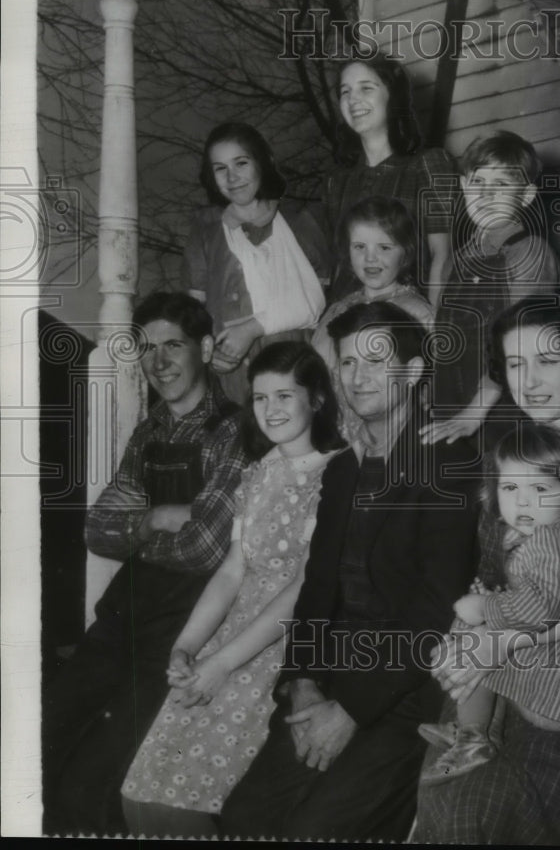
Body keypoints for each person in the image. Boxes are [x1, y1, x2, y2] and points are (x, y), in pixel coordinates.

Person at [218, 301, 480, 842]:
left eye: (375, 361)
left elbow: (434, 610)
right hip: (326, 680)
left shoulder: (448, 462)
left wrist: (352, 712)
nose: (357, 378)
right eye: (347, 363)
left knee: (314, 832)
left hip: (400, 697)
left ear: (411, 373)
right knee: (243, 820)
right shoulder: (343, 467)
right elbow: (317, 589)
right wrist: (304, 684)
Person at [415, 296, 560, 846]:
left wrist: (501, 643)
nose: (531, 379)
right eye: (517, 364)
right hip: (502, 658)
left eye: (549, 360)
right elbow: (494, 577)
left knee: (486, 811)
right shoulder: (508, 458)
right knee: (449, 801)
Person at [42, 292, 249, 837]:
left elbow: (207, 546)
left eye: (173, 346)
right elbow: (97, 531)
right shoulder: (148, 431)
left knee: (95, 781)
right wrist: (160, 516)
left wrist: (141, 528)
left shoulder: (235, 431)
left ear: (204, 348)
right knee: (38, 735)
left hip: (178, 634)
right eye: (148, 348)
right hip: (120, 620)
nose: (158, 362)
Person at [121, 341, 346, 837]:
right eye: (261, 399)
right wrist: (188, 647)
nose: (272, 410)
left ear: (318, 400)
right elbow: (231, 570)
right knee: (143, 791)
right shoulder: (258, 472)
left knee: (188, 800)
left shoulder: (337, 473)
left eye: (285, 396)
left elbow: (305, 587)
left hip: (280, 648)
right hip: (230, 637)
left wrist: (223, 663)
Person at [419, 423, 560, 789]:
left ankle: (473, 736)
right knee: (470, 631)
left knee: (471, 629)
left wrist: (485, 606)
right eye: (510, 488)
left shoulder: (551, 540)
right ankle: (477, 728)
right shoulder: (559, 527)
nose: (523, 501)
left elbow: (540, 609)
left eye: (539, 489)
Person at [422, 131, 560, 447]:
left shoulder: (528, 252)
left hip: (506, 412)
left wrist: (475, 412)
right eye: (477, 182)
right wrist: (431, 386)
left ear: (525, 196)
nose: (486, 195)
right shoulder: (456, 261)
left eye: (500, 185)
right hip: (453, 413)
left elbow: (520, 345)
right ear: (462, 187)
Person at [183, 121, 329, 402]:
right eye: (220, 168)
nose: (232, 176)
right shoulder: (205, 230)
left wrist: (251, 329)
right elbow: (194, 315)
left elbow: (316, 304)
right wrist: (209, 351)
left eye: (241, 163)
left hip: (293, 366)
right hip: (232, 377)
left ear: (262, 163)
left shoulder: (300, 222)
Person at [325, 54, 456, 306]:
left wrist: (433, 327)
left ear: (393, 96)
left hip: (406, 314)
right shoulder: (336, 178)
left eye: (366, 88)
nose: (353, 99)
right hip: (348, 312)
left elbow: (443, 254)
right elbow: (340, 263)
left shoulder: (429, 164)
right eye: (345, 91)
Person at [312, 195, 433, 440]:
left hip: (390, 437)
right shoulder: (337, 310)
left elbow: (430, 390)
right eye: (359, 247)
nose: (370, 258)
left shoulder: (416, 313)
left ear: (406, 253)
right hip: (333, 433)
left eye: (384, 247)